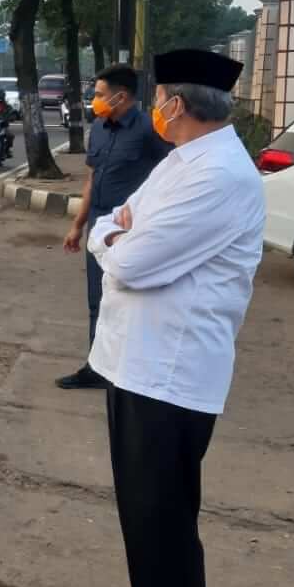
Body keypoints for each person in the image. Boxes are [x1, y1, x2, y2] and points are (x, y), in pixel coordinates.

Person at [82, 49, 263, 587]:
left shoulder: (219, 176)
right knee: (144, 506)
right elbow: (114, 223)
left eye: (159, 98)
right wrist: (116, 232)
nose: (155, 107)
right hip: (139, 362)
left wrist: (114, 238)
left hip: (170, 373)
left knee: (163, 511)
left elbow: (128, 258)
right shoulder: (185, 161)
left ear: (176, 105)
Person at [57, 64, 172, 389]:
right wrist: (78, 225)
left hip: (133, 231)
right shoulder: (100, 127)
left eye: (99, 94)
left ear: (121, 97)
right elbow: (92, 178)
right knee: (99, 299)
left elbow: (172, 175)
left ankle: (132, 371)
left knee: (132, 301)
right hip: (98, 224)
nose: (94, 100)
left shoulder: (150, 131)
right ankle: (97, 368)